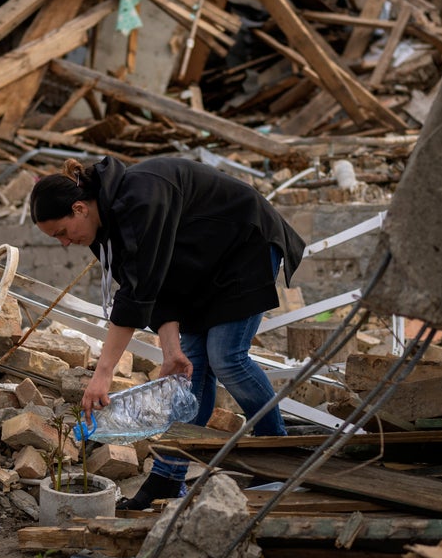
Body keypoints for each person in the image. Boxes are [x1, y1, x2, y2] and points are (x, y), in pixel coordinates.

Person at [29, 155, 305, 510]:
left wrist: (103, 373)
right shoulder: (104, 233)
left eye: (62, 233)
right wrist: (172, 349)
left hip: (244, 245)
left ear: (79, 208)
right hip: (198, 269)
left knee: (226, 357)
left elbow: (137, 295)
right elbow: (151, 287)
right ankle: (166, 479)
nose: (65, 243)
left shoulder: (141, 196)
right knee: (189, 372)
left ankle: (276, 456)